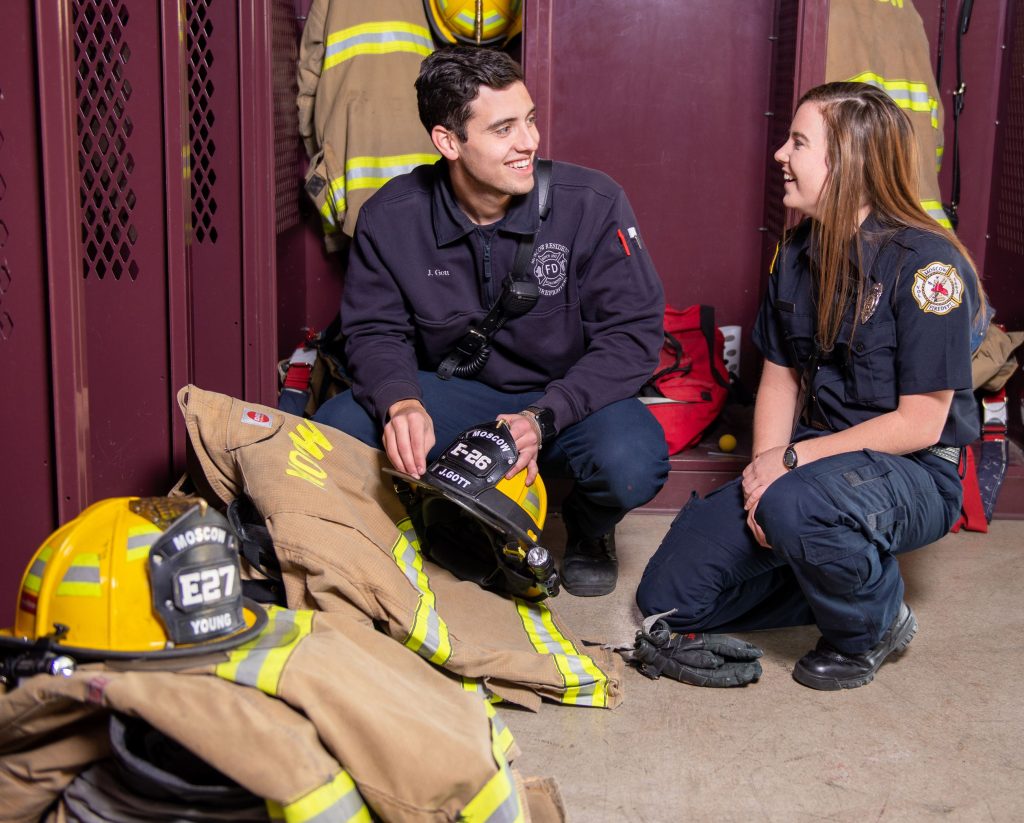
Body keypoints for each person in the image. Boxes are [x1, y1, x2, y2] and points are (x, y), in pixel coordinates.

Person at [636, 82, 986, 690]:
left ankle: (873, 625)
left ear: (847, 159)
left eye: (798, 141)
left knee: (793, 501)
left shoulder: (928, 267)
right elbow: (780, 374)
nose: (780, 154)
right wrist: (764, 471)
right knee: (668, 598)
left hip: (913, 470)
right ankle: (826, 581)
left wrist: (790, 466)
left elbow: (921, 423)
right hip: (813, 464)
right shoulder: (796, 252)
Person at [313, 46, 669, 597]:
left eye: (528, 120)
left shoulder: (592, 203)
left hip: (567, 400)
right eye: (504, 128)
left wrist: (543, 416)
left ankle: (590, 530)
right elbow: (374, 331)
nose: (529, 141)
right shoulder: (392, 216)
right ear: (449, 142)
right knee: (337, 429)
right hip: (459, 395)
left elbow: (631, 339)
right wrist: (400, 399)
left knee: (630, 462)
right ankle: (421, 520)